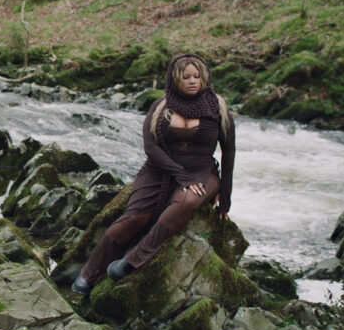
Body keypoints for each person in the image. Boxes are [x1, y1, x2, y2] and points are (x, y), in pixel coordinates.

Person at [71, 52, 235, 295]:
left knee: (185, 202)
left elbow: (229, 151)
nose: (192, 81)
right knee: (133, 219)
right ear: (174, 79)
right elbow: (150, 147)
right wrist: (180, 175)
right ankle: (89, 272)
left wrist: (225, 196)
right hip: (158, 170)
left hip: (201, 171)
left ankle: (132, 260)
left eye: (197, 76)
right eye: (186, 76)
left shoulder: (218, 108)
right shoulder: (161, 106)